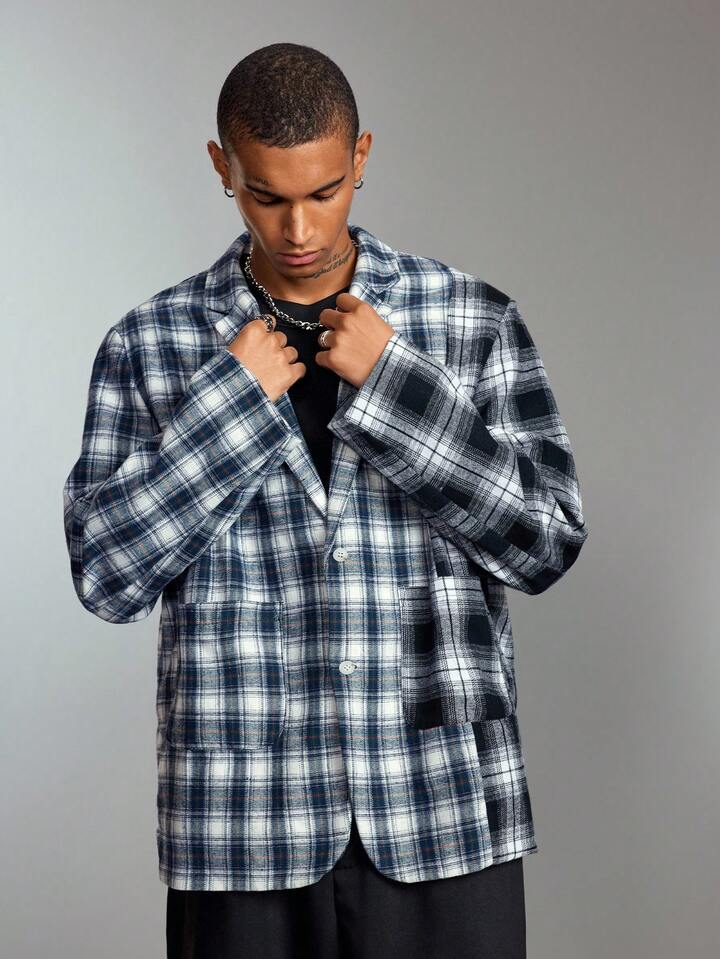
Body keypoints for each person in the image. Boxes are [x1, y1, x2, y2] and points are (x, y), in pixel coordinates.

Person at [62, 41, 589, 959]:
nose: (299, 228)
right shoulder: (148, 344)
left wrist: (397, 388)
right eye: (266, 196)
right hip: (240, 822)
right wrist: (230, 406)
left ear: (362, 156)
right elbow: (106, 577)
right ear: (223, 166)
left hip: (440, 803)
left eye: (326, 191)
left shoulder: (470, 321)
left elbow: (545, 542)